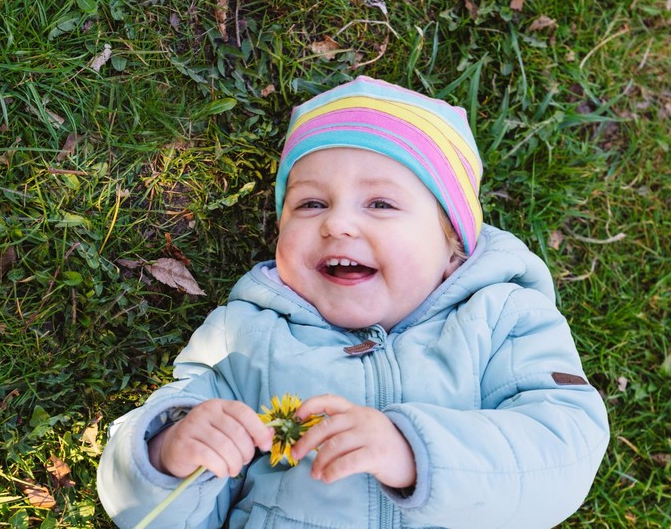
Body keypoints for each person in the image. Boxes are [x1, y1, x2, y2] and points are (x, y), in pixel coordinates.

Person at [97, 75, 609, 528]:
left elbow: (564, 450)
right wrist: (165, 454)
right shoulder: (244, 338)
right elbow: (148, 511)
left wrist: (413, 451)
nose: (336, 223)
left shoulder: (501, 319)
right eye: (310, 203)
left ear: (453, 244)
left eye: (380, 204)